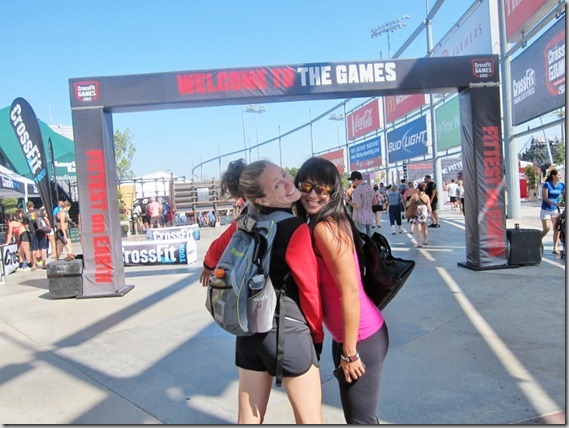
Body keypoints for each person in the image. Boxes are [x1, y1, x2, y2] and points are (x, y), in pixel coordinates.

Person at [200, 159, 324, 424]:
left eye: (282, 173)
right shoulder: (296, 230)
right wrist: (316, 335)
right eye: (277, 184)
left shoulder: (245, 221)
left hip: (249, 330)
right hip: (288, 332)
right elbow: (310, 292)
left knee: (248, 418)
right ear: (264, 199)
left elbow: (217, 250)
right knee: (310, 419)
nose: (288, 182)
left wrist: (208, 266)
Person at [295, 157, 389, 424]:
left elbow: (349, 292)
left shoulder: (325, 228)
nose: (312, 195)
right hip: (350, 336)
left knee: (361, 421)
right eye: (306, 186)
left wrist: (350, 352)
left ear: (333, 191)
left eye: (321, 189)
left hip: (360, 338)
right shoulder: (329, 220)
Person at [540, 168, 566, 254]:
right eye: (558, 175)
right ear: (553, 176)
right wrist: (556, 204)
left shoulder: (562, 185)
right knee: (546, 229)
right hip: (546, 209)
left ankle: (555, 248)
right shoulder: (547, 184)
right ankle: (537, 239)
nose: (560, 176)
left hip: (555, 210)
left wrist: (564, 202)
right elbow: (545, 198)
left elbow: (565, 194)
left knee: (557, 228)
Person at [346, 171, 375, 236]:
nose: (352, 183)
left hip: (360, 218)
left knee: (362, 240)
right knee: (370, 240)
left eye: (352, 181)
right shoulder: (370, 189)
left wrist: (348, 201)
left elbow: (356, 205)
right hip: (370, 218)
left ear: (356, 179)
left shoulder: (358, 190)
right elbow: (374, 202)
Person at [408, 182, 433, 247]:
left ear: (418, 189)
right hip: (424, 211)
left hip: (416, 211)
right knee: (424, 226)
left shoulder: (414, 195)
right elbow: (429, 206)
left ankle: (419, 242)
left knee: (418, 227)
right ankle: (426, 240)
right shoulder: (426, 196)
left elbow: (410, 203)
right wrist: (430, 214)